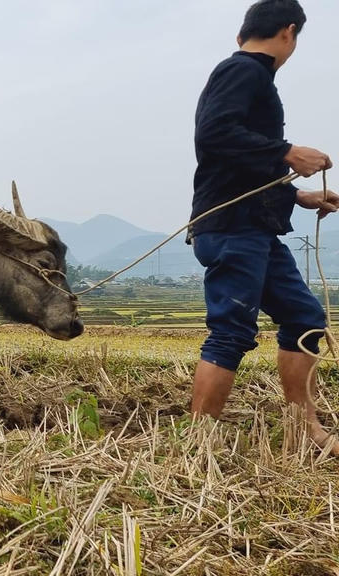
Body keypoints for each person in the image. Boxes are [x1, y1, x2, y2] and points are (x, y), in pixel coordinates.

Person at [188, 0, 337, 454]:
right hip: (232, 229)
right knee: (232, 331)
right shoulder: (244, 72)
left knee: (305, 320)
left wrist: (298, 195)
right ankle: (198, 443)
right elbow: (213, 135)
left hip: (253, 227)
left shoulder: (246, 74)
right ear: (289, 32)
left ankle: (305, 430)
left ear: (243, 32)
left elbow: (240, 168)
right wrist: (289, 151)